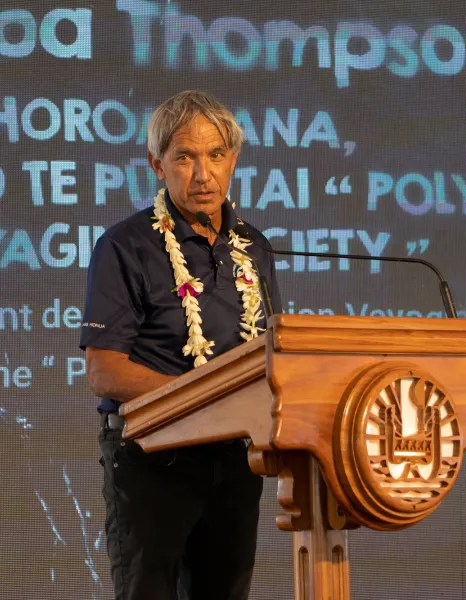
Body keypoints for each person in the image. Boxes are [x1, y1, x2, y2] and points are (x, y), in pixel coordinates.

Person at [80, 90, 281, 600]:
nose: (202, 174)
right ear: (157, 163)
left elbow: (271, 351)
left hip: (236, 460)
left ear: (233, 160)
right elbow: (105, 372)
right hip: (153, 461)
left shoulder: (253, 248)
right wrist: (203, 400)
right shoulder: (124, 247)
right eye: (185, 157)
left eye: (216, 155)